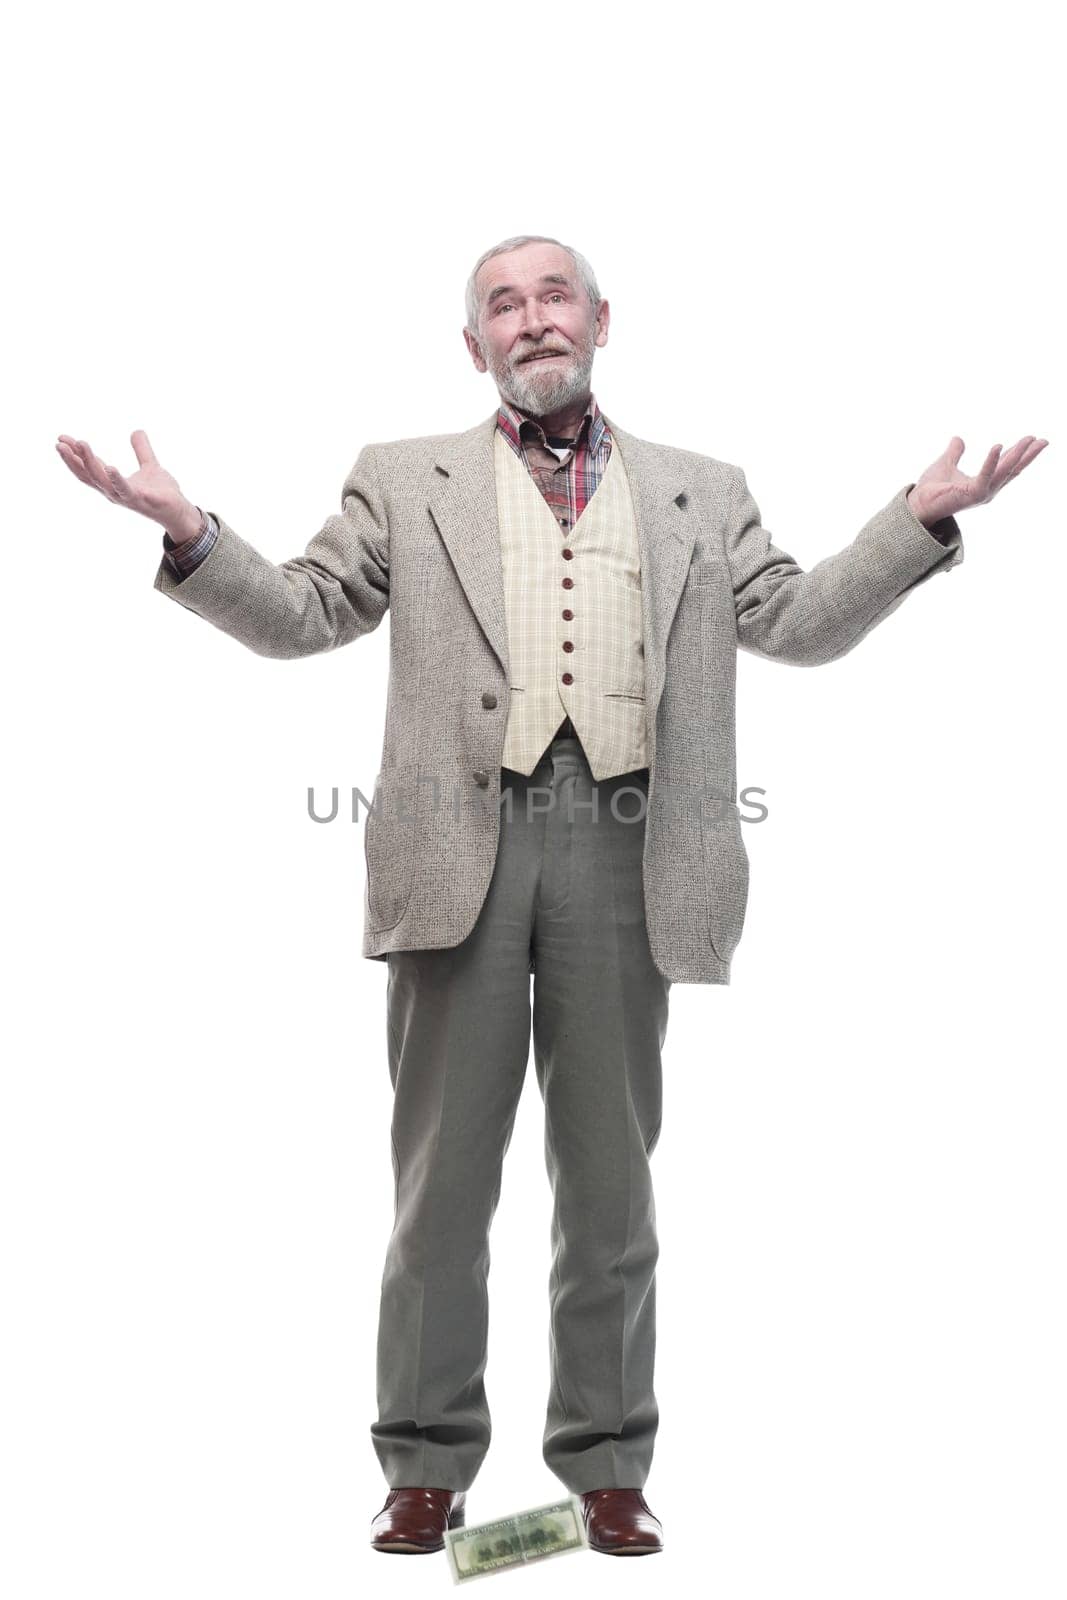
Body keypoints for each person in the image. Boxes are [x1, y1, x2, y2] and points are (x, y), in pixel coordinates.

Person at [55, 233, 1047, 1558]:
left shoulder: (703, 488)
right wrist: (189, 532)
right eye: (503, 305)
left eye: (554, 295)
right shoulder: (408, 479)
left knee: (610, 1184)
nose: (533, 319)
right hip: (455, 848)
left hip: (633, 851)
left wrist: (919, 520)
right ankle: (424, 1463)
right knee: (441, 1188)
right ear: (475, 345)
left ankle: (607, 1461)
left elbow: (796, 624)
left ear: (601, 320)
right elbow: (303, 613)